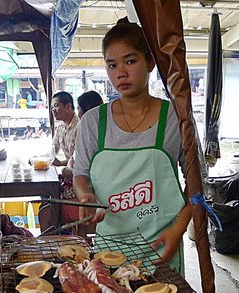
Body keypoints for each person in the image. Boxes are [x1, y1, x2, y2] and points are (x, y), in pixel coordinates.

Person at [73, 18, 202, 275]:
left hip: (161, 247)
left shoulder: (177, 118)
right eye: (112, 65)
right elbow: (81, 174)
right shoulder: (92, 122)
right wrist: (85, 195)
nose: (120, 72)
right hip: (108, 250)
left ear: (150, 62)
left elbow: (197, 183)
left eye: (130, 61)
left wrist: (178, 229)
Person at [50, 91, 79, 167]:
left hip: (80, 173)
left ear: (68, 107)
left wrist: (60, 163)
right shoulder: (60, 127)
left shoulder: (80, 126)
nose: (53, 110)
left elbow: (79, 157)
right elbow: (53, 148)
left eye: (56, 106)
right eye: (52, 107)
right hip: (69, 171)